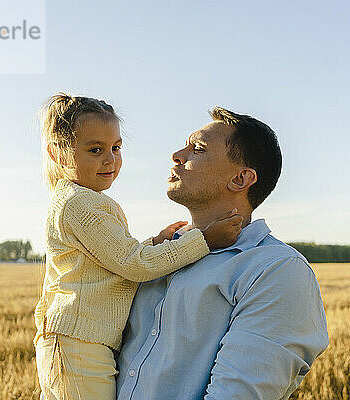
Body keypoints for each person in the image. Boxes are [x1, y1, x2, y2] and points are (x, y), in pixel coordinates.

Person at [33, 94, 243, 400]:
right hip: (77, 344)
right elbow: (134, 264)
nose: (110, 159)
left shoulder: (84, 201)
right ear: (57, 153)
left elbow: (112, 258)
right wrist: (206, 240)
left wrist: (153, 244)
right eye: (95, 150)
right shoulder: (79, 205)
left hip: (84, 341)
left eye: (116, 148)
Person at [117, 107, 329, 400]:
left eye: (198, 149)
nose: (177, 155)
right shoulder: (153, 256)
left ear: (241, 179)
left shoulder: (276, 270)